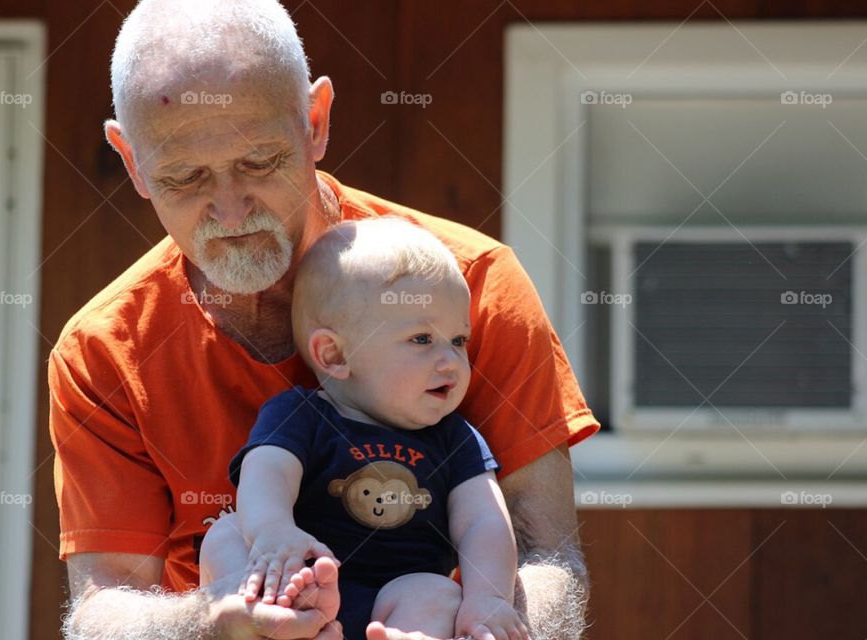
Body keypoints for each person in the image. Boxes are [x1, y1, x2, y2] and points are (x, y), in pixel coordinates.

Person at [51, 1, 599, 639]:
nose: (230, 212)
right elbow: (104, 604)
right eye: (184, 177)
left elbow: (547, 556)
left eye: (259, 162)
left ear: (315, 121)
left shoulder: (469, 286)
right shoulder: (105, 349)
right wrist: (214, 622)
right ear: (131, 162)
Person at [208, 218, 527, 640]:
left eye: (458, 340)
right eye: (421, 339)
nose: (451, 361)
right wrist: (274, 532)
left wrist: (489, 598)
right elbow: (268, 473)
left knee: (437, 593)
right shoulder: (301, 414)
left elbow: (483, 522)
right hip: (307, 576)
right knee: (228, 532)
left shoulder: (455, 438)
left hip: (400, 594)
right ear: (335, 355)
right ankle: (266, 618)